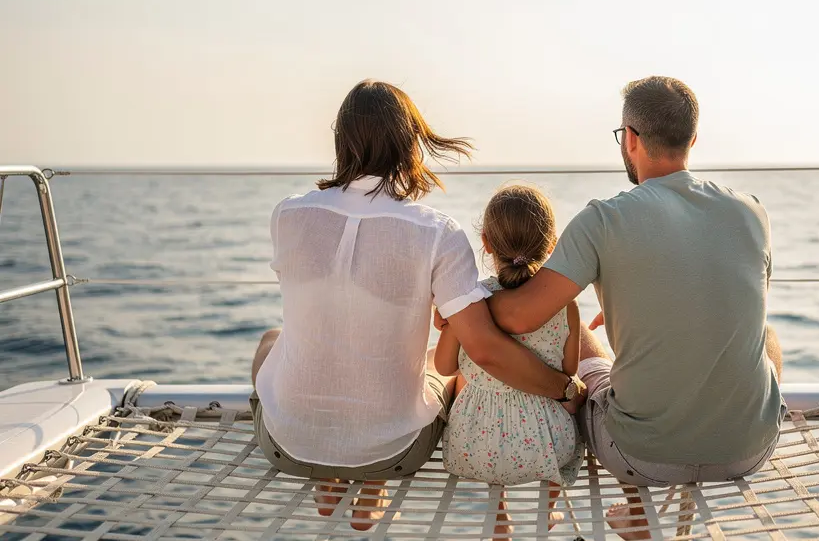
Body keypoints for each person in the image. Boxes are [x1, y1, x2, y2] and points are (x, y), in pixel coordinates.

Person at [249, 80, 583, 531]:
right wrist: (564, 389)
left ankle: (326, 477)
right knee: (438, 366)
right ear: (410, 144)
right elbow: (483, 349)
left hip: (285, 446)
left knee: (272, 340)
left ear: (341, 140)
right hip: (396, 452)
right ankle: (373, 483)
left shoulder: (287, 214)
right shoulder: (436, 232)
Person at [487, 76, 786, 539]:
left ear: (630, 138)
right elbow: (725, 303)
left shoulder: (604, 219)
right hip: (750, 449)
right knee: (767, 337)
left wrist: (463, 302)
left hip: (641, 457)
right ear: (692, 138)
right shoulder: (751, 211)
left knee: (585, 338)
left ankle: (639, 511)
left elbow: (520, 315)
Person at [435, 185, 585, 538]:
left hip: (473, 446)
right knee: (576, 394)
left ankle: (500, 519)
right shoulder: (566, 306)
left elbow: (443, 366)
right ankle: (548, 511)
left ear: (486, 242)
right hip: (548, 444)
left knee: (461, 383)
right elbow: (569, 373)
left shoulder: (471, 302)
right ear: (551, 244)